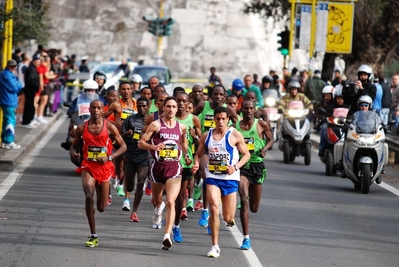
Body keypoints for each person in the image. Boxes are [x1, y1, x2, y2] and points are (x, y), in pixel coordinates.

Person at [192, 106, 250, 258]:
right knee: (213, 208)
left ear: (228, 120)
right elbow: (198, 155)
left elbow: (246, 155)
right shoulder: (207, 136)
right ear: (214, 120)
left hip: (230, 179)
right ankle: (215, 246)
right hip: (213, 177)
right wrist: (196, 163)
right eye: (217, 118)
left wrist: (235, 167)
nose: (220, 121)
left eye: (223, 118)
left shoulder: (235, 135)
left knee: (228, 217)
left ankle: (229, 220)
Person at [70, 99, 127, 247]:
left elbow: (123, 147)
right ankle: (93, 234)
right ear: (89, 110)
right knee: (89, 197)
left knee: (101, 207)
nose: (95, 110)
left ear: (103, 110)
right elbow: (73, 146)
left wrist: (109, 157)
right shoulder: (82, 128)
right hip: (88, 166)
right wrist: (73, 153)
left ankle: (96, 207)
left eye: (98, 108)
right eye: (93, 108)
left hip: (105, 167)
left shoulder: (109, 127)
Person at [138, 96, 190, 250]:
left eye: (174, 106)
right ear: (164, 108)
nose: (171, 109)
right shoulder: (155, 125)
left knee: (171, 201)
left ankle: (167, 236)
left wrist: (186, 156)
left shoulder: (181, 128)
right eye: (168, 106)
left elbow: (184, 144)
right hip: (157, 168)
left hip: (174, 168)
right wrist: (154, 148)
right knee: (157, 199)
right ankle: (157, 210)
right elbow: (141, 143)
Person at [192, 85, 239, 228]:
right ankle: (206, 210)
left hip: (222, 147)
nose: (218, 96)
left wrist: (230, 134)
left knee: (227, 214)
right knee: (206, 174)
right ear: (211, 95)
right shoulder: (203, 105)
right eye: (215, 94)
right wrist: (196, 132)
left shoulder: (228, 109)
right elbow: (191, 117)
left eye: (221, 94)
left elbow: (237, 121)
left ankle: (219, 212)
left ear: (224, 96)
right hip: (206, 144)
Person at [236, 100, 273, 250]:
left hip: (257, 166)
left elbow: (271, 139)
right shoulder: (236, 127)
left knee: (254, 208)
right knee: (244, 201)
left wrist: (264, 148)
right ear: (242, 110)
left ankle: (249, 195)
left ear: (254, 110)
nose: (249, 111)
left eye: (251, 108)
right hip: (242, 166)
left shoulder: (261, 124)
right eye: (246, 108)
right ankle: (246, 238)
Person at [172, 92, 202, 242]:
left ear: (188, 102)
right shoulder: (167, 117)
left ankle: (175, 226)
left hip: (185, 161)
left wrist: (195, 136)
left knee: (180, 196)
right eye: (179, 100)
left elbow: (200, 143)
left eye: (184, 101)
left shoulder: (194, 119)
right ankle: (164, 213)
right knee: (168, 197)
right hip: (168, 161)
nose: (182, 103)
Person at [121, 97, 150, 222]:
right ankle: (127, 187)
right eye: (139, 106)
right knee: (130, 187)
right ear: (136, 107)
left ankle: (134, 211)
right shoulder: (130, 119)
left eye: (144, 106)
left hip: (144, 156)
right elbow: (120, 137)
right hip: (130, 155)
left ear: (148, 106)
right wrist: (126, 135)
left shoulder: (152, 122)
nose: (142, 108)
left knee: (140, 182)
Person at [0, 59, 23, 149]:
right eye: (13, 67)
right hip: (9, 100)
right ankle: (9, 141)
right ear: (9, 66)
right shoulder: (8, 75)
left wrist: (17, 84)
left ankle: (5, 141)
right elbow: (16, 87)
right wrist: (18, 84)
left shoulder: (6, 74)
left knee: (6, 120)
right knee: (10, 120)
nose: (14, 68)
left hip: (7, 100)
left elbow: (18, 85)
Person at [22, 55, 41, 128]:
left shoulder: (33, 69)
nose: (38, 63)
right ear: (33, 61)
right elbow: (30, 80)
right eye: (37, 62)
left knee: (30, 105)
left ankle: (30, 120)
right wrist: (37, 85)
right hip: (30, 90)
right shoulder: (31, 69)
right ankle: (27, 121)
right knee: (29, 106)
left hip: (32, 90)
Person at [16, 53, 31, 124]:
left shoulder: (19, 65)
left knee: (18, 102)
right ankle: (18, 117)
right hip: (22, 86)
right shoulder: (24, 67)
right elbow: (26, 77)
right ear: (27, 58)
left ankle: (18, 116)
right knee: (21, 103)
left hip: (18, 85)